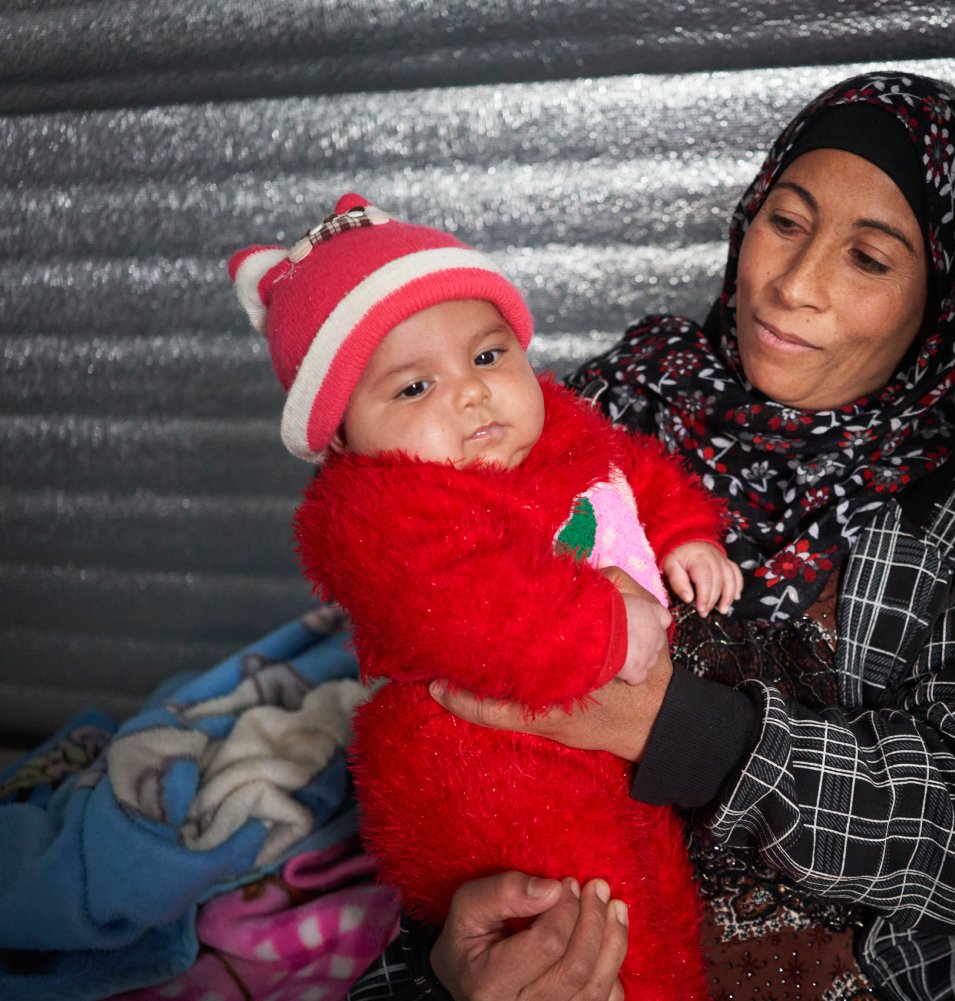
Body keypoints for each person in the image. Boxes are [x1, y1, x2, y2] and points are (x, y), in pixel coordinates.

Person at [349, 69, 955, 1001]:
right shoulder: (607, 410)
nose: (794, 284)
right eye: (786, 221)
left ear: (946, 302)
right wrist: (453, 962)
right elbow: (441, 708)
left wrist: (680, 730)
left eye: (869, 259)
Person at [227, 193, 742, 999]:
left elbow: (633, 473)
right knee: (590, 920)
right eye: (413, 388)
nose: (470, 393)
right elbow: (474, 606)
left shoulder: (561, 428)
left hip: (603, 746)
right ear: (344, 437)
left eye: (488, 355)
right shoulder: (380, 510)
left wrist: (685, 534)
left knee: (659, 890)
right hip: (486, 769)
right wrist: (607, 627)